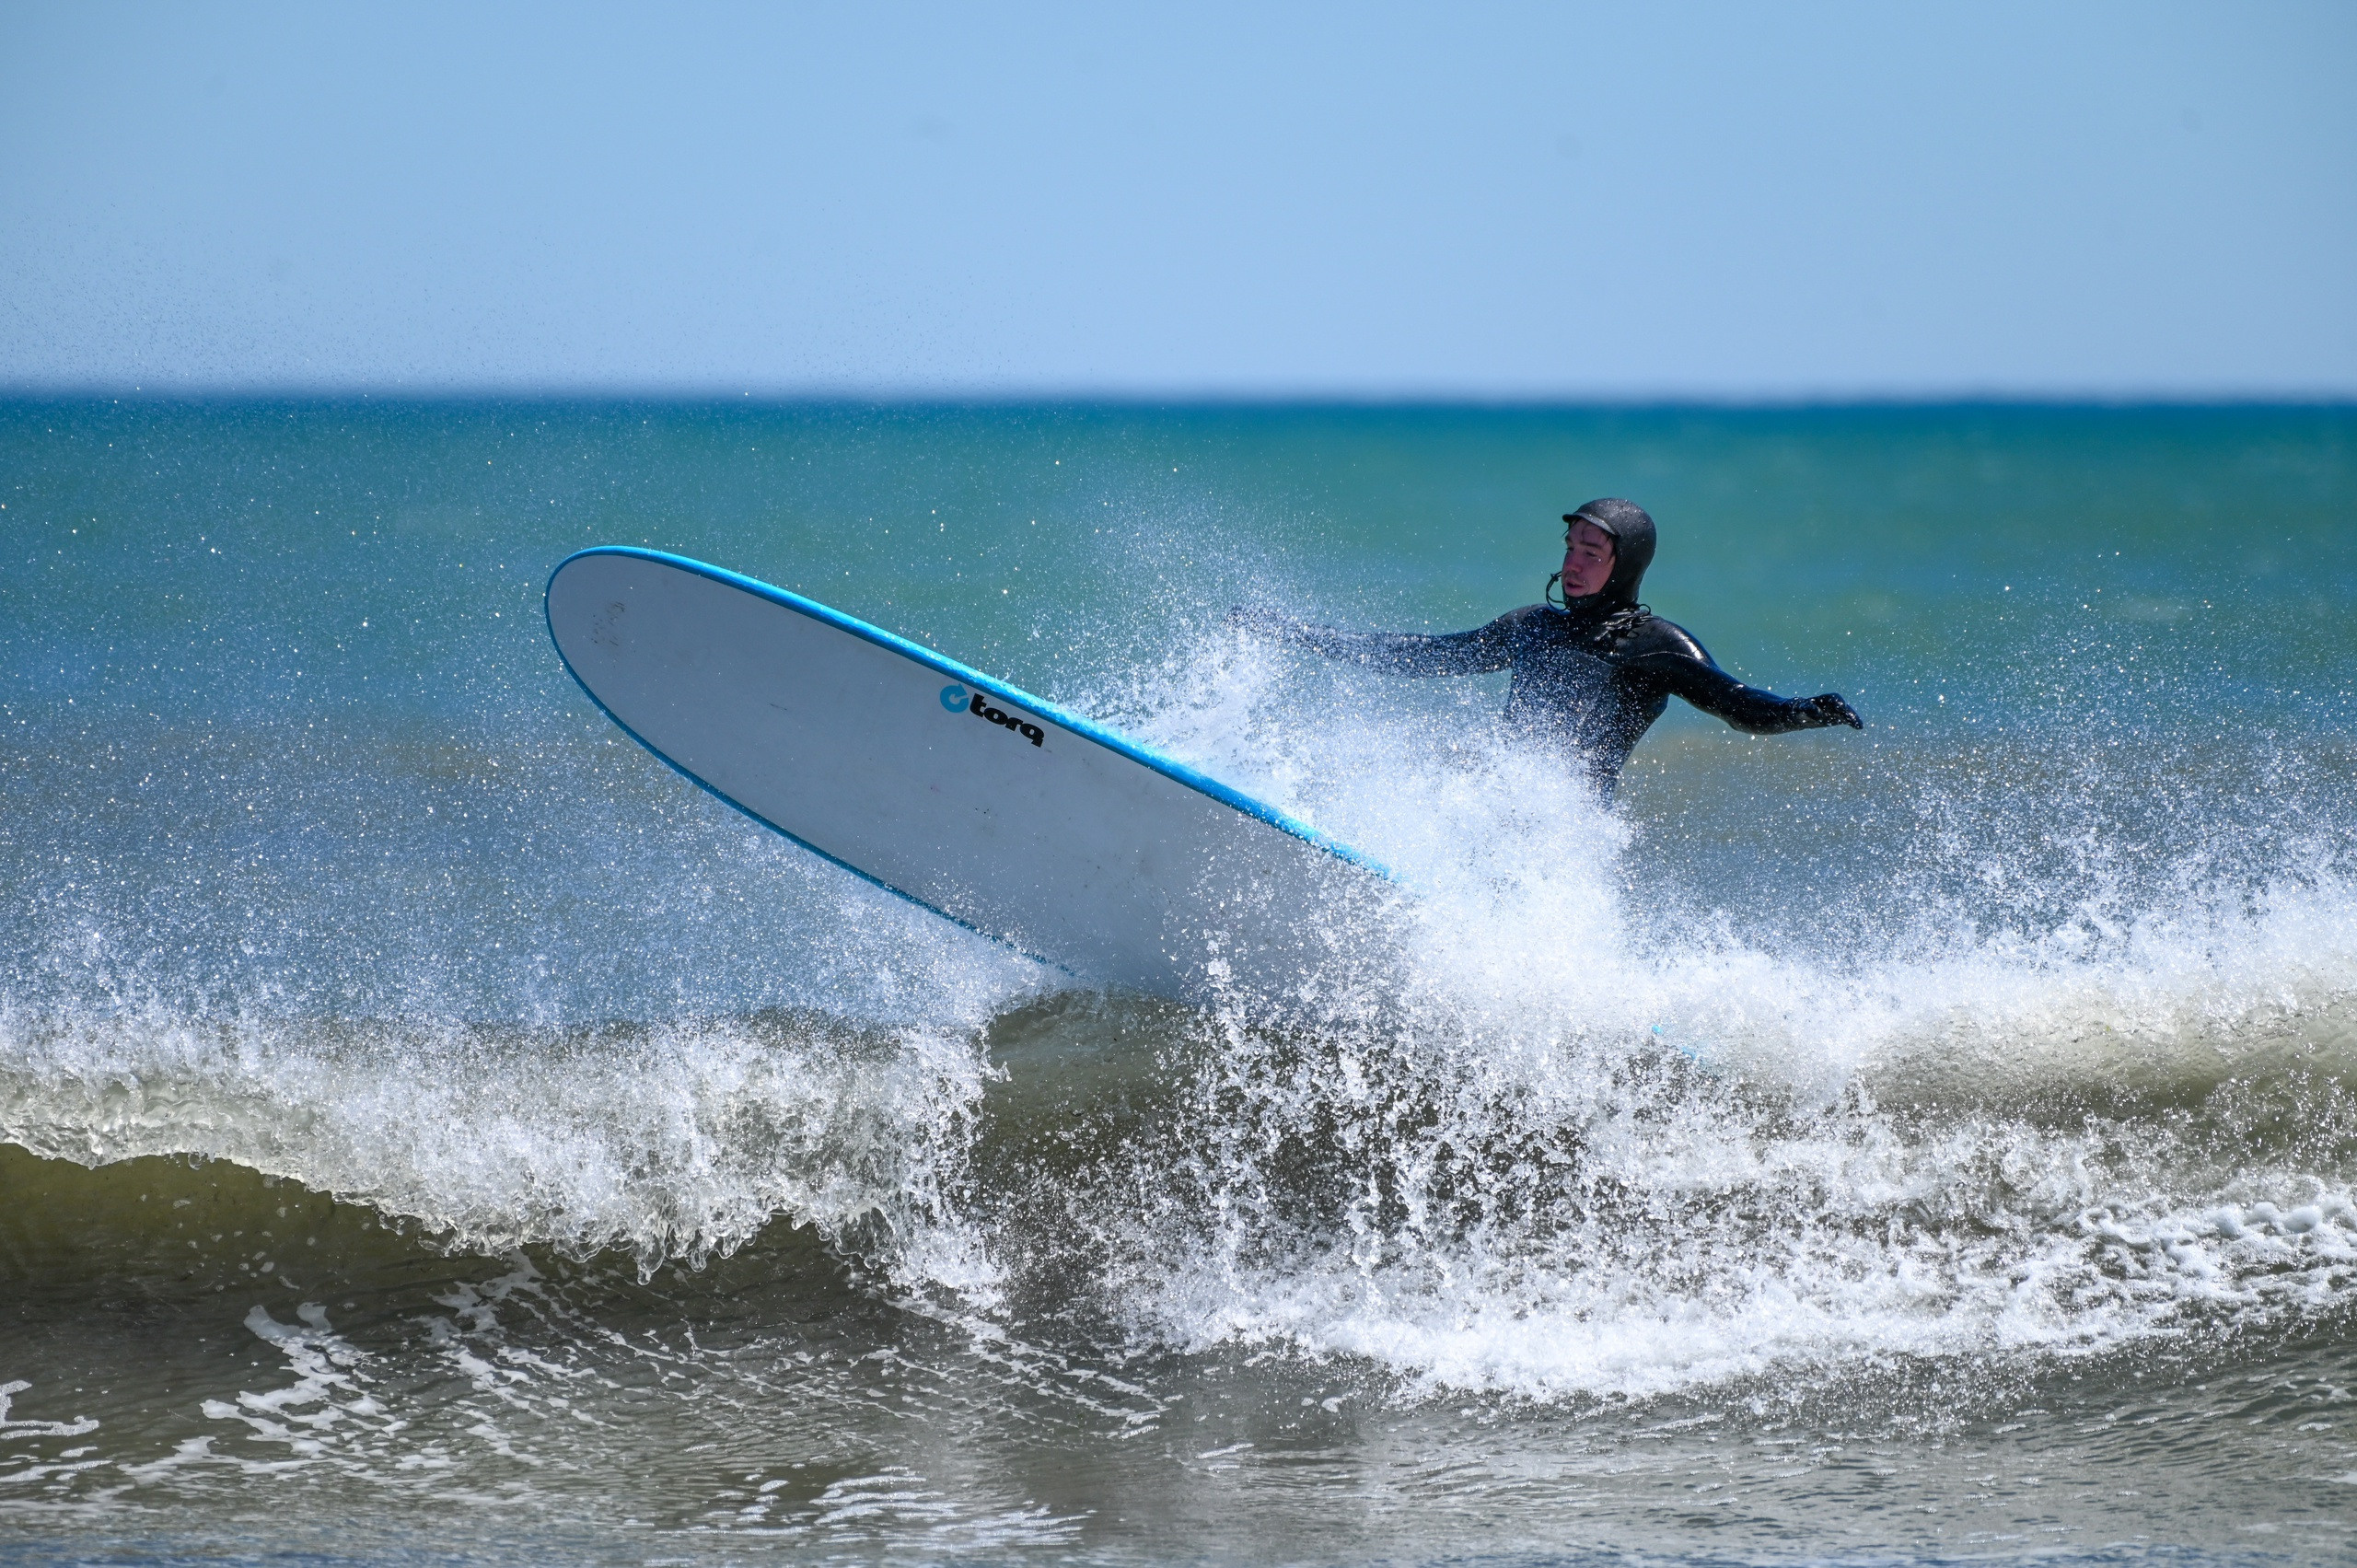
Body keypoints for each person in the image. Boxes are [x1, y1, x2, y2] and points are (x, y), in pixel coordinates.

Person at [1232, 498, 1863, 798]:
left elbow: (1738, 704)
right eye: (1570, 550)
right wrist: (1302, 635)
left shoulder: (1655, 645)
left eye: (1592, 554)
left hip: (1567, 835)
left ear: (1624, 565)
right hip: (1499, 805)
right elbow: (1423, 654)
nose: (1573, 566)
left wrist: (1807, 711)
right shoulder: (1534, 625)